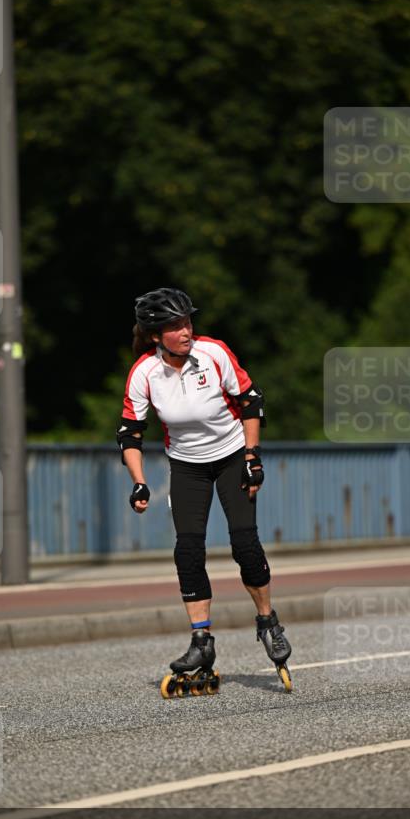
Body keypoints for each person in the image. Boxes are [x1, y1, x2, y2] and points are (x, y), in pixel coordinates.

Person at [116, 287, 292, 696]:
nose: (185, 331)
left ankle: (268, 622)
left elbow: (250, 400)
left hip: (232, 456)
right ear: (156, 334)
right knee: (188, 550)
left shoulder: (213, 353)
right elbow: (130, 433)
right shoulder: (144, 373)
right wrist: (139, 481)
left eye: (188, 322)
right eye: (175, 326)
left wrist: (252, 455)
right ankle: (201, 642)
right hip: (187, 466)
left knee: (244, 543)